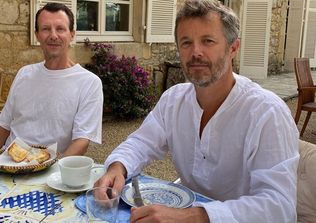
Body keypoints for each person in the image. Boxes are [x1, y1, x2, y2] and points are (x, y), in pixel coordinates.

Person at [95, 0, 299, 222]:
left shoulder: (267, 113)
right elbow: (141, 143)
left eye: (208, 41)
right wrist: (118, 167)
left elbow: (280, 207)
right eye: (186, 43)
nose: (195, 52)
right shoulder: (173, 100)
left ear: (233, 48)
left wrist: (193, 217)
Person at [0, 3, 103, 157]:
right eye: (46, 29)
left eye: (60, 29)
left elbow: (81, 142)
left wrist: (55, 172)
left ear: (71, 34)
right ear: (37, 35)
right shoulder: (24, 74)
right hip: (8, 163)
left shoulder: (89, 83)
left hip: (49, 168)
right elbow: (3, 126)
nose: (53, 35)